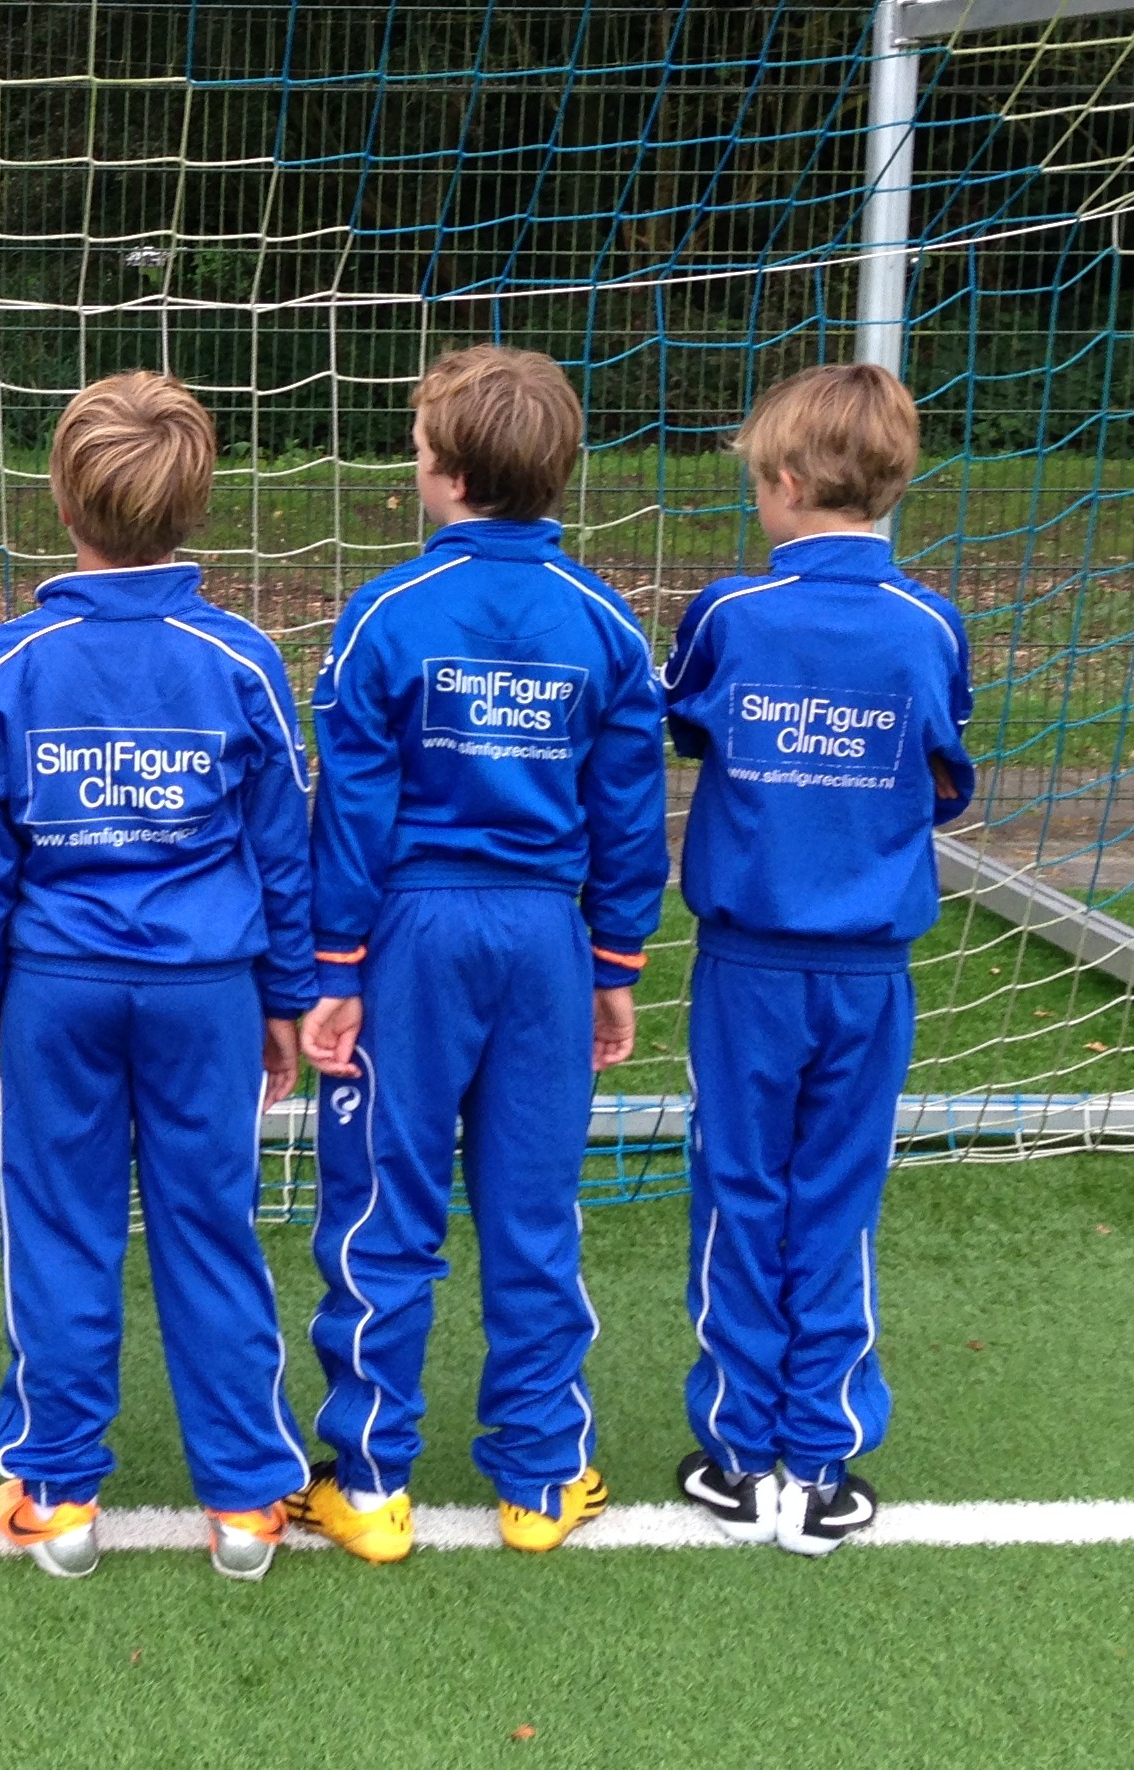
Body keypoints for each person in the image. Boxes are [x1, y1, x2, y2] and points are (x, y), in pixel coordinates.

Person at [295, 345, 670, 1561]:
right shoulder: (605, 625)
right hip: (545, 942)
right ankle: (539, 1478)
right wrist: (614, 961)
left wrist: (333, 966)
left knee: (382, 1210)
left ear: (442, 473)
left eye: (415, 448)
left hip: (413, 937)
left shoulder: (385, 616)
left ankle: (369, 1484)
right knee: (530, 1207)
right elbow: (629, 811)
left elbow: (346, 811)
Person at [0, 371, 317, 1581]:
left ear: (61, 499)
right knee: (210, 1228)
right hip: (204, 991)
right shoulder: (241, 660)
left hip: (58, 989)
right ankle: (247, 1505)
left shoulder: (8, 662)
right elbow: (280, 848)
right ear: (196, 505)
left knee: (61, 1228)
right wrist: (280, 994)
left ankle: (57, 1495)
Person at [664, 362, 971, 1556]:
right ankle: (823, 1461)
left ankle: (742, 1458)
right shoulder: (928, 625)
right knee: (835, 1198)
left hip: (746, 966)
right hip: (866, 974)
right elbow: (941, 781)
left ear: (785, 482)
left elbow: (680, 725)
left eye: (757, 484)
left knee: (741, 1190)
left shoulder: (727, 618)